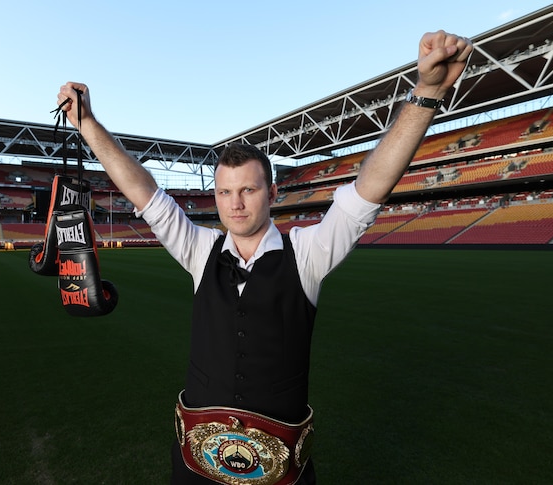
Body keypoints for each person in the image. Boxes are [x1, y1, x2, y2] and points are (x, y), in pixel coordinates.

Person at [55, 30, 472, 485]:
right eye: (225, 192)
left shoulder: (308, 253)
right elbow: (143, 190)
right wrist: (88, 125)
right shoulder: (199, 250)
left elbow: (368, 190)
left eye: (248, 190)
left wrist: (427, 93)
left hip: (280, 473)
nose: (235, 204)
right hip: (196, 465)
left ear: (271, 193)